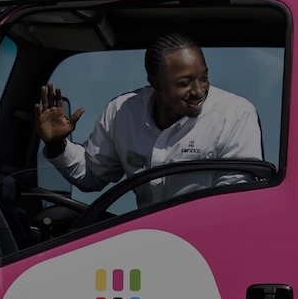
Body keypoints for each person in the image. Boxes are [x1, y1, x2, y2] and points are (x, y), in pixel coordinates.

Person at [33, 32, 265, 193]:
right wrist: (57, 146)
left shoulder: (235, 113)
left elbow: (237, 194)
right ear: (155, 82)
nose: (198, 91)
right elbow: (91, 175)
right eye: (184, 83)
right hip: (146, 243)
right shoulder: (121, 112)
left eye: (204, 78)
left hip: (208, 244)